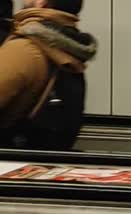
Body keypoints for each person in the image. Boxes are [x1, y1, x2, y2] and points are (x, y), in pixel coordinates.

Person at [0, 0, 96, 150]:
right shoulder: (70, 47)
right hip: (46, 157)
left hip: (12, 158)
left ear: (41, 2)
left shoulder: (24, 50)